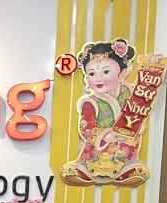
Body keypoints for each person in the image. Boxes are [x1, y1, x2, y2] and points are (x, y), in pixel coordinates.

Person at [60, 38, 149, 187]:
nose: (98, 79)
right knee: (87, 166)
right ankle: (82, 172)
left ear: (122, 73)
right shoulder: (91, 102)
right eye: (92, 74)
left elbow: (141, 105)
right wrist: (104, 134)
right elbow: (86, 126)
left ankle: (128, 171)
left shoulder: (129, 92)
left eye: (106, 71)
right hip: (99, 146)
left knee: (128, 164)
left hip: (125, 144)